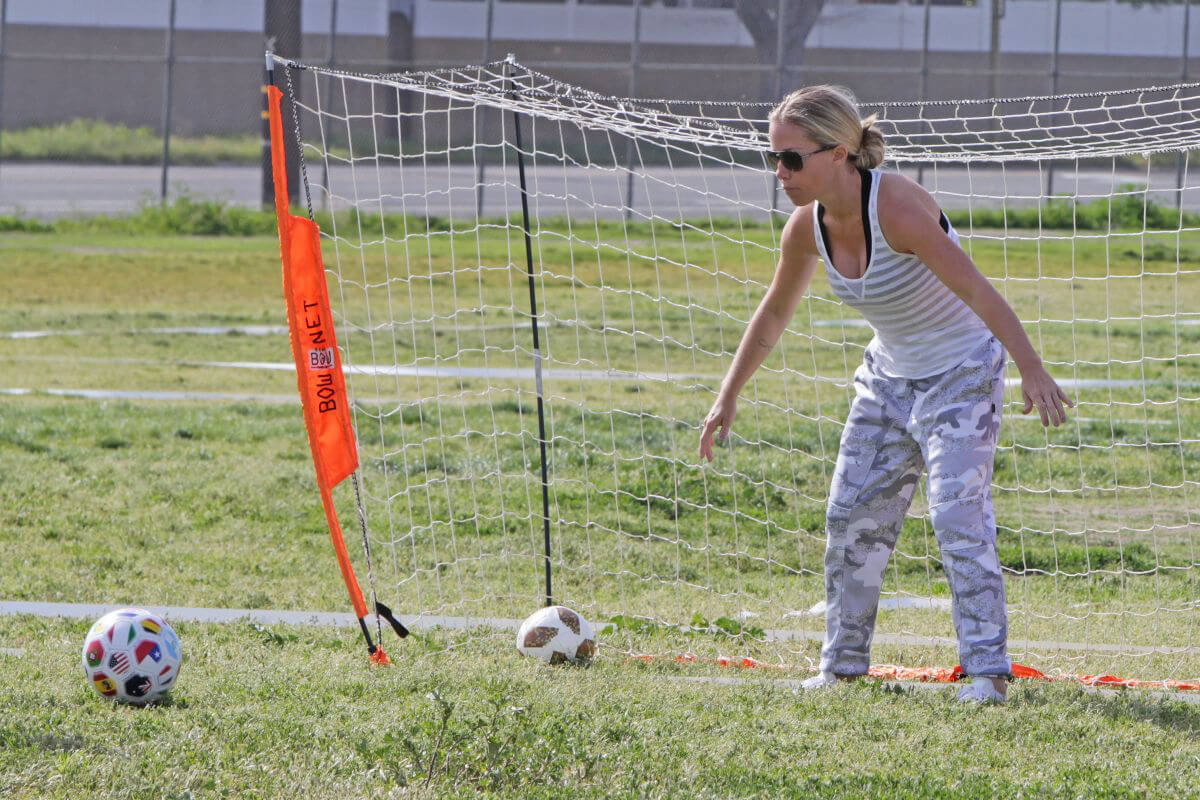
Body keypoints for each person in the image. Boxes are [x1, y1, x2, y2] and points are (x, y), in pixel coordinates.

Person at [697, 85, 1072, 704]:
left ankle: (987, 672)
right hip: (887, 380)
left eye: (793, 159)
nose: (780, 173)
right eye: (774, 159)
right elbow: (771, 316)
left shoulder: (894, 208)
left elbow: (978, 292)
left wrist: (1030, 367)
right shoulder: (805, 229)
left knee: (957, 517)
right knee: (849, 518)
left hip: (961, 373)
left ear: (840, 152)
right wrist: (727, 395)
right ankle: (841, 669)